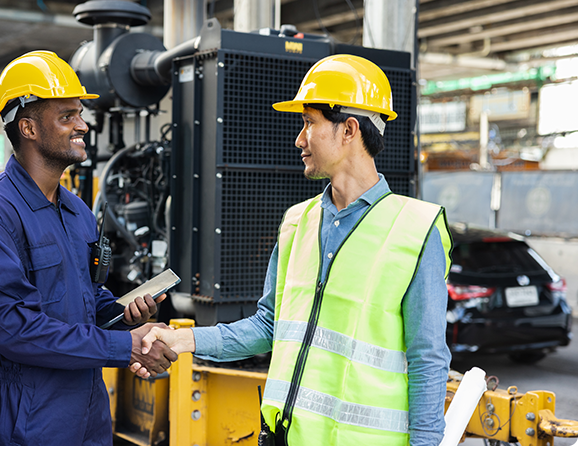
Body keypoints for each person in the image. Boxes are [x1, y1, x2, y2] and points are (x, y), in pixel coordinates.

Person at [132, 54, 453, 446]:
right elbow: (269, 326)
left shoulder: (415, 229)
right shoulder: (298, 222)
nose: (299, 139)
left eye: (309, 123)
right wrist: (183, 340)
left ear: (349, 129)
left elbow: (428, 360)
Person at [0, 50, 177, 446]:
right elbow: (13, 329)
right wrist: (125, 347)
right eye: (67, 116)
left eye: (79, 114)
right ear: (29, 128)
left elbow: (87, 298)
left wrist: (124, 314)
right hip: (20, 415)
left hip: (87, 410)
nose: (83, 125)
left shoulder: (76, 211)